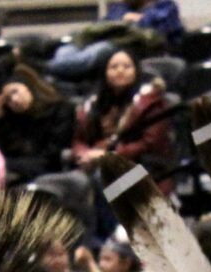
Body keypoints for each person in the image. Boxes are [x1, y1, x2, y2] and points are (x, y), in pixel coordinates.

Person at [72, 47, 173, 176]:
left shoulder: (151, 102)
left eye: (126, 67)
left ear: (136, 71)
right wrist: (83, 153)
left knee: (101, 177)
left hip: (139, 168)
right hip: (97, 163)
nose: (120, 71)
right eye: (113, 67)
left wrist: (110, 156)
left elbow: (149, 144)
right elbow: (79, 139)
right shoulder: (93, 104)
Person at [45, 0, 182, 78]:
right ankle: (49, 66)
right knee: (67, 48)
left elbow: (158, 35)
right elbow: (101, 26)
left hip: (131, 49)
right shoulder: (119, 8)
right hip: (100, 43)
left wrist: (135, 21)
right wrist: (125, 21)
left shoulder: (165, 7)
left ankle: (43, 68)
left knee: (100, 50)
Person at [0, 63, 76, 181]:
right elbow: (0, 153)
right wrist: (1, 118)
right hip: (20, 169)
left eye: (15, 92)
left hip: (51, 168)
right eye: (8, 100)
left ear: (28, 88)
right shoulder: (10, 121)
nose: (14, 100)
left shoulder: (60, 109)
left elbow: (53, 154)